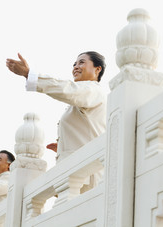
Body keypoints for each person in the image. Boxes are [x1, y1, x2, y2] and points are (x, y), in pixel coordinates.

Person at [6, 51, 106, 192]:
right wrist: (62, 147)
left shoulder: (93, 91)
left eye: (82, 62)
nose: (76, 67)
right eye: (74, 64)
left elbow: (66, 89)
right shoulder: (81, 98)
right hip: (76, 177)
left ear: (97, 69)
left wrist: (30, 74)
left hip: (87, 178)